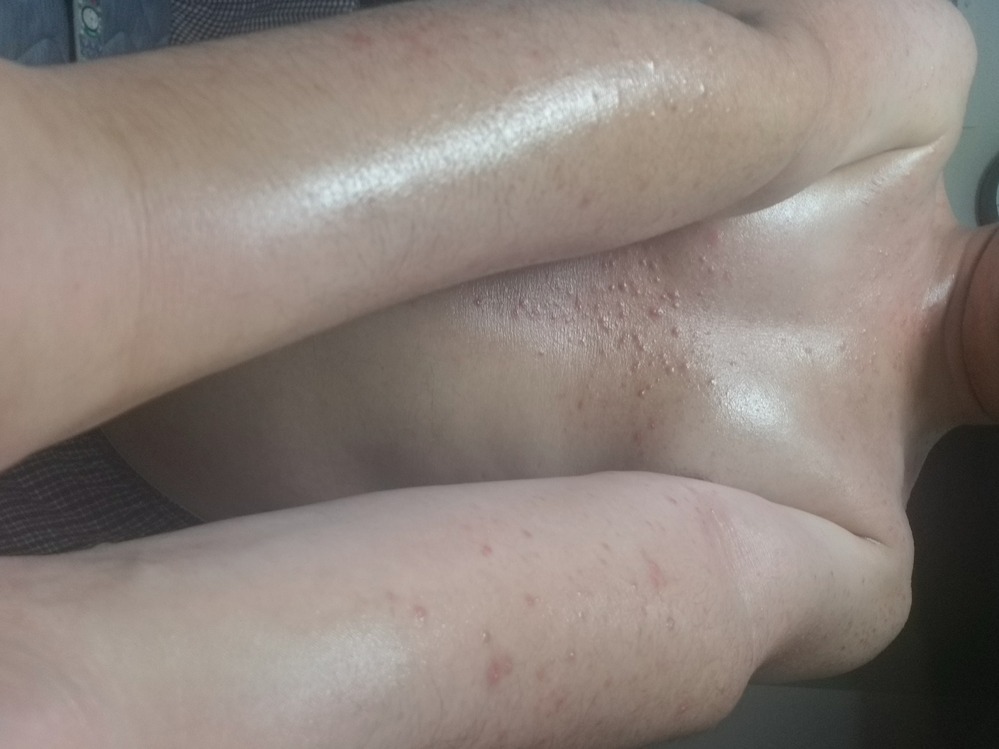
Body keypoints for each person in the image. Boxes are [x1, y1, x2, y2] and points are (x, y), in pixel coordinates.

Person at [0, 0, 987, 747]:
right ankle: (81, 225)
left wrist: (79, 703)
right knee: (805, 80)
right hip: (129, 88)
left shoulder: (860, 552)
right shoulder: (907, 71)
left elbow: (697, 590)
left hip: (108, 523)